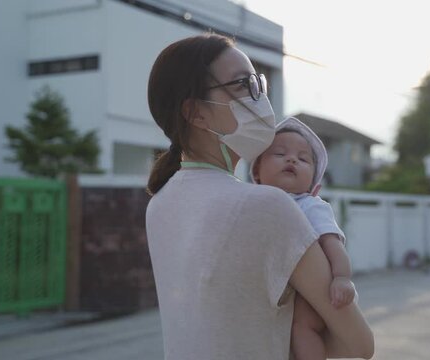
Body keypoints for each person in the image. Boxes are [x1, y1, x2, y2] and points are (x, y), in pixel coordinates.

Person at [144, 33, 374, 360]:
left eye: (258, 85)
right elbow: (360, 344)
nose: (258, 98)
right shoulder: (267, 206)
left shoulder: (158, 204)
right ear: (195, 113)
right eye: (242, 85)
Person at [250, 117, 356, 360]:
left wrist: (342, 278)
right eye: (279, 153)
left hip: (318, 292)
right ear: (256, 171)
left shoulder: (309, 205)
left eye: (303, 158)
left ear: (315, 186)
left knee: (302, 327)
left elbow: (333, 244)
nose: (291, 159)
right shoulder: (253, 206)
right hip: (280, 290)